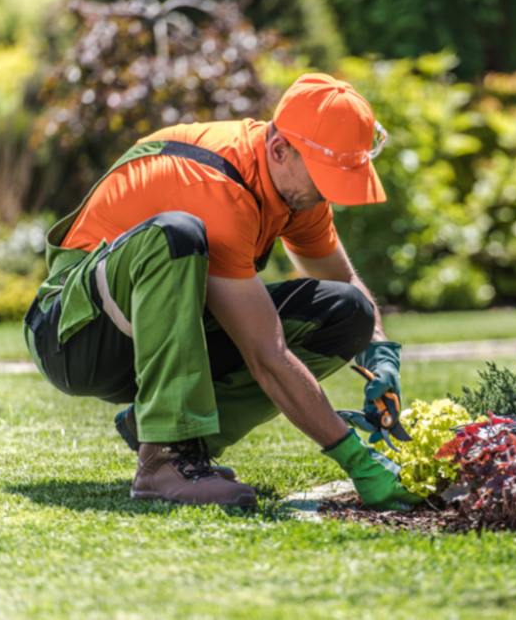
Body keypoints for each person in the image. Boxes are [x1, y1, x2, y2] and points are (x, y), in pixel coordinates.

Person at [23, 73, 422, 512]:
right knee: (176, 233)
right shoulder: (216, 187)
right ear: (280, 150)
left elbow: (345, 283)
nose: (333, 196)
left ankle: (168, 434)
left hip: (147, 329)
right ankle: (166, 457)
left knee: (350, 312)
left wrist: (380, 352)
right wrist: (355, 459)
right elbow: (266, 355)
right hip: (74, 335)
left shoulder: (295, 190)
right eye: (327, 180)